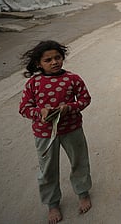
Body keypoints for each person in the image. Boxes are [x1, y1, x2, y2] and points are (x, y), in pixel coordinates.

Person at [19, 40, 92, 224]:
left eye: (57, 57)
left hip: (72, 129)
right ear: (38, 63)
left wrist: (70, 107)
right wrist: (40, 113)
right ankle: (52, 203)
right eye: (48, 59)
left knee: (79, 161)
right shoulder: (33, 83)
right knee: (48, 170)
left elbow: (85, 99)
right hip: (44, 134)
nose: (54, 62)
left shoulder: (73, 79)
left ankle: (82, 193)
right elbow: (24, 108)